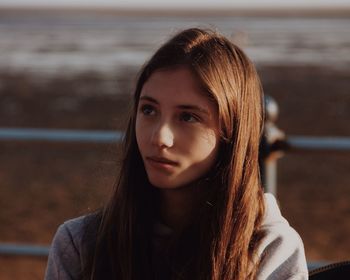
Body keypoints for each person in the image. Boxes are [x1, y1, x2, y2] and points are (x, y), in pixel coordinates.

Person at [45, 28, 308, 280]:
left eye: (188, 117)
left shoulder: (272, 250)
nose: (159, 137)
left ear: (232, 131)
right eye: (149, 110)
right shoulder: (81, 244)